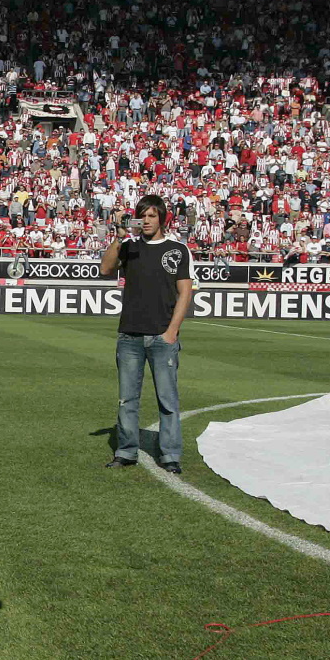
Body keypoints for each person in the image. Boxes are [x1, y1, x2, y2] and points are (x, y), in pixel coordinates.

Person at [100, 194, 193, 474]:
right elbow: (105, 269)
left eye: (152, 216)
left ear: (162, 218)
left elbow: (185, 292)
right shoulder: (129, 246)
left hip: (162, 336)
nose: (147, 221)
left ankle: (170, 454)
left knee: (168, 401)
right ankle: (126, 451)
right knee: (127, 400)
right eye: (142, 216)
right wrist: (119, 235)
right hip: (129, 336)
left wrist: (172, 331)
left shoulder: (177, 249)